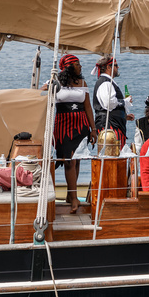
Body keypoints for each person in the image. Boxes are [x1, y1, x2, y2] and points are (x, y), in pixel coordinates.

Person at [43, 54, 98, 213]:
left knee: (77, 160)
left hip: (81, 126)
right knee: (69, 161)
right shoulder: (55, 82)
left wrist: (93, 129)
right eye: (77, 64)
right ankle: (74, 198)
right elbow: (39, 94)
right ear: (68, 66)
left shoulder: (82, 83)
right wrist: (48, 87)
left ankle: (70, 194)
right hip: (63, 126)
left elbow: (88, 107)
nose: (80, 66)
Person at [92, 55, 133, 145]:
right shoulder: (106, 82)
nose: (118, 67)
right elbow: (109, 103)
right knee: (112, 152)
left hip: (112, 123)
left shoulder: (106, 81)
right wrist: (125, 102)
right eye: (116, 65)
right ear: (108, 67)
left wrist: (124, 116)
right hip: (109, 125)